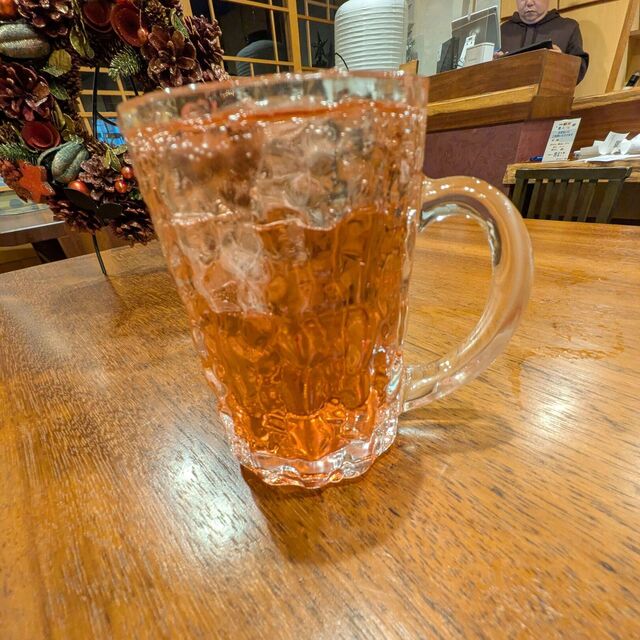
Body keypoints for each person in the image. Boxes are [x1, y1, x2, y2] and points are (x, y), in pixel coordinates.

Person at [499, 0, 589, 83]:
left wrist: (561, 62)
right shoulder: (502, 32)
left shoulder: (568, 28)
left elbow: (579, 71)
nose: (529, 3)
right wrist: (494, 65)